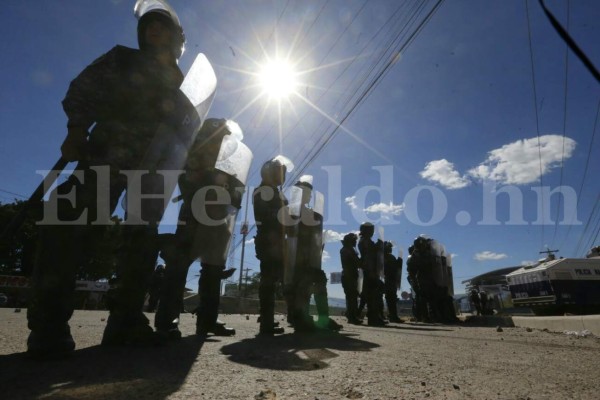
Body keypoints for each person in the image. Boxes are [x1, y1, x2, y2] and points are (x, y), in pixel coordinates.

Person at [26, 2, 189, 357]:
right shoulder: (123, 60)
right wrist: (76, 129)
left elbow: (188, 134)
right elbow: (82, 89)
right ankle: (48, 327)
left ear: (177, 37)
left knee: (141, 240)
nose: (153, 30)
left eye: (162, 25)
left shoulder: (184, 85)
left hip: (154, 168)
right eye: (148, 25)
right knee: (70, 223)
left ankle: (126, 323)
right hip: (107, 154)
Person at [154, 118, 251, 339]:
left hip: (219, 219)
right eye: (221, 137)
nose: (224, 144)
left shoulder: (229, 163)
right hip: (193, 215)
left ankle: (207, 320)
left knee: (213, 268)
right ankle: (168, 318)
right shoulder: (196, 154)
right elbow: (186, 181)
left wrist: (233, 197)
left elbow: (235, 191)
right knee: (180, 262)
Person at [287, 176, 341, 332]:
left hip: (309, 255)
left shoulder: (307, 212)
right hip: (296, 256)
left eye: (310, 194)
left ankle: (322, 319)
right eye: (307, 193)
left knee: (317, 281)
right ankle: (300, 318)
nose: (310, 196)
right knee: (300, 286)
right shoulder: (291, 211)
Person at [252, 156, 294, 336]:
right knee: (269, 280)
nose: (281, 175)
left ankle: (268, 319)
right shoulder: (263, 191)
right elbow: (267, 216)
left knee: (274, 280)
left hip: (277, 241)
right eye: (279, 171)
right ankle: (266, 322)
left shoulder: (275, 192)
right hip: (269, 241)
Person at [357, 222, 386, 326]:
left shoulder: (367, 241)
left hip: (371, 270)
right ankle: (373, 318)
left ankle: (374, 317)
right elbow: (369, 257)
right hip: (369, 270)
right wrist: (372, 273)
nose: (372, 232)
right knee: (372, 295)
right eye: (370, 230)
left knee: (373, 294)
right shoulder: (365, 241)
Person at [340, 233, 362, 324]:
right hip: (349, 276)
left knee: (352, 296)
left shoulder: (348, 250)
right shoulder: (346, 250)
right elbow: (356, 262)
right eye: (354, 240)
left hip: (351, 275)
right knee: (351, 297)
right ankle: (352, 317)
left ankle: (352, 315)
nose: (355, 242)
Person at [383, 241, 402, 323]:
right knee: (391, 298)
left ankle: (393, 315)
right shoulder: (385, 257)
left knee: (392, 298)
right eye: (389, 247)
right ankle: (392, 316)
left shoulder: (390, 257)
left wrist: (399, 261)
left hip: (392, 279)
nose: (390, 249)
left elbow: (395, 268)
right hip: (389, 279)